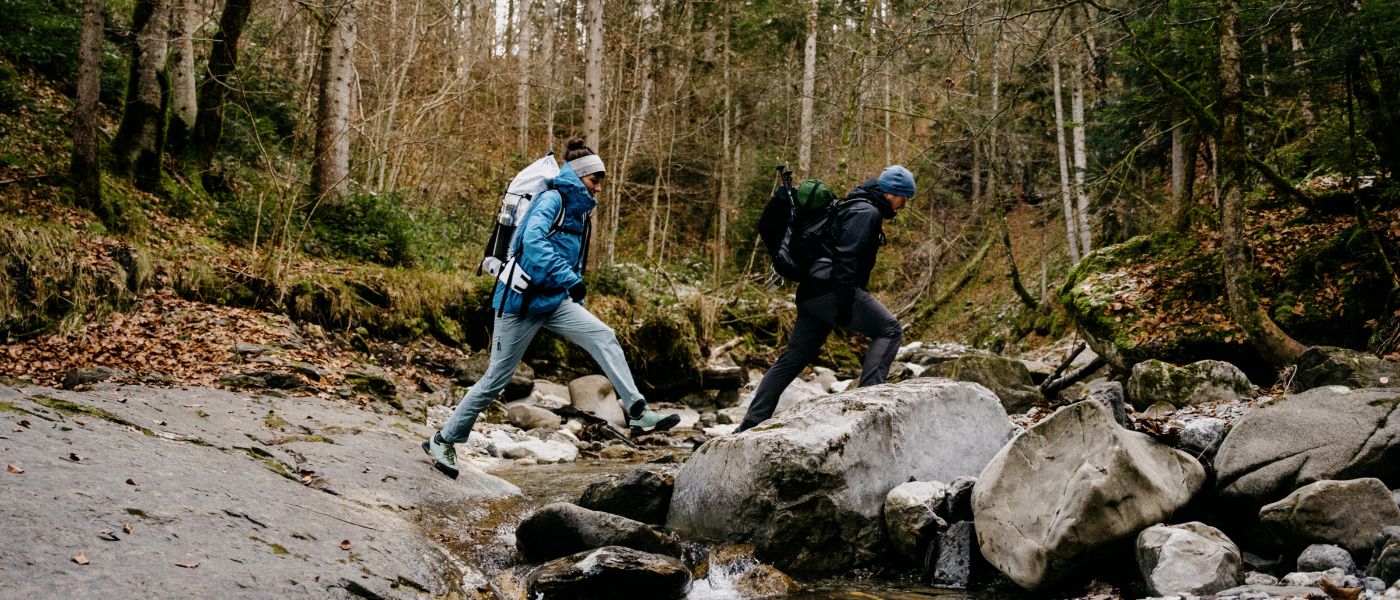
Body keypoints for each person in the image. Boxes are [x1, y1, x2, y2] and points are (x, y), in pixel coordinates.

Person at [423, 139, 680, 479]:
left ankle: (636, 410)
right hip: (519, 303)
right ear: (579, 177)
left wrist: (575, 294)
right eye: (595, 180)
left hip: (555, 302)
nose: (600, 188)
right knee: (496, 378)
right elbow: (532, 242)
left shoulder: (580, 212)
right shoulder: (552, 200)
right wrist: (567, 278)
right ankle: (444, 439)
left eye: (602, 181)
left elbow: (574, 263)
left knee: (604, 335)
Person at [735, 165, 916, 433]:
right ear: (893, 193)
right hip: (830, 291)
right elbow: (846, 258)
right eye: (904, 198)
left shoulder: (853, 203)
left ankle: (751, 422)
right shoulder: (867, 212)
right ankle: (867, 408)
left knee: (792, 359)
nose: (903, 205)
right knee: (889, 330)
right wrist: (844, 303)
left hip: (811, 294)